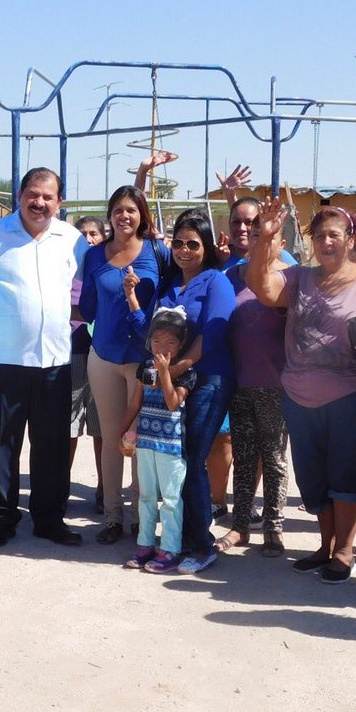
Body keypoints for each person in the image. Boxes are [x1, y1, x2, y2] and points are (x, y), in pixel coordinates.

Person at [247, 196, 356, 584]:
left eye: (334, 235)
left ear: (352, 239)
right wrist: (265, 240)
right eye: (320, 235)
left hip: (353, 394)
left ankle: (344, 551)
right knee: (314, 477)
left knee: (346, 473)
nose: (327, 241)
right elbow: (263, 289)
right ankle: (325, 547)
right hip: (299, 394)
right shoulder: (300, 277)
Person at [0, 167, 88, 548]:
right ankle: (1, 519)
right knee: (1, 445)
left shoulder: (72, 239)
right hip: (5, 361)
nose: (40, 203)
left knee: (51, 445)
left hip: (55, 362)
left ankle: (49, 518)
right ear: (19, 195)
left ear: (59, 202)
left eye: (48, 197)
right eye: (33, 194)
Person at [124, 209, 236, 574]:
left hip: (207, 380)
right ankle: (175, 540)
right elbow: (151, 332)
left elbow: (214, 333)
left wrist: (176, 368)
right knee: (177, 463)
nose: (185, 250)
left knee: (192, 458)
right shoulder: (170, 285)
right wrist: (133, 300)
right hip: (171, 383)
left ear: (206, 247)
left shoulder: (216, 281)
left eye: (193, 243)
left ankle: (201, 544)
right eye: (179, 243)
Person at [78, 186, 166, 543]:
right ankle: (113, 516)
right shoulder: (95, 255)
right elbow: (87, 306)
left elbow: (172, 296)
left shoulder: (157, 251)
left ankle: (141, 517)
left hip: (142, 363)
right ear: (110, 214)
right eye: (118, 210)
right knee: (112, 438)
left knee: (141, 442)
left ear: (142, 214)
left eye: (131, 209)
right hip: (104, 358)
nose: (124, 216)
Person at [214, 197, 291, 557]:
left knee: (273, 460)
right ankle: (240, 526)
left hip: (275, 385)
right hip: (238, 383)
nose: (260, 240)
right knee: (243, 458)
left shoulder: (290, 280)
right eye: (256, 234)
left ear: (281, 242)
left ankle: (273, 528)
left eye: (268, 235)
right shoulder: (230, 277)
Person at [118, 306, 196, 573]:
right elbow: (134, 404)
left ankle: (171, 548)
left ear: (181, 344)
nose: (162, 347)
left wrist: (165, 372)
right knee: (146, 495)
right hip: (146, 442)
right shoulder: (144, 367)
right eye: (157, 340)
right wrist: (123, 432)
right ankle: (145, 545)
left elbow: (173, 403)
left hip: (171, 446)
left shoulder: (186, 372)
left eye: (170, 342)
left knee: (172, 498)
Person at [70, 216, 106, 513]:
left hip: (103, 355)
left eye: (93, 233)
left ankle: (105, 488)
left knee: (101, 427)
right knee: (69, 427)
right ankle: (60, 485)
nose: (88, 238)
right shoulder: (66, 270)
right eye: (81, 234)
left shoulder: (107, 267)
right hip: (72, 353)